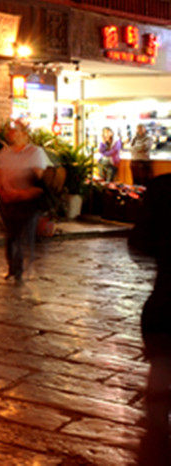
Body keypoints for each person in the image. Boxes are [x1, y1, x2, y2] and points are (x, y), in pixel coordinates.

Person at [131, 172, 171, 463]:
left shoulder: (163, 188)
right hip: (164, 309)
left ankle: (156, 438)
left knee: (161, 370)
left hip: (166, 306)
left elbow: (139, 243)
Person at [0, 120, 48, 284]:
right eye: (10, 130)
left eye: (15, 130)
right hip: (8, 199)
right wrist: (2, 190)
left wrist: (22, 192)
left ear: (24, 134)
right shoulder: (6, 153)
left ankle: (22, 269)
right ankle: (13, 268)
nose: (11, 133)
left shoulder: (35, 152)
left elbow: (40, 177)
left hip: (27, 200)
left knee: (24, 234)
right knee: (11, 235)